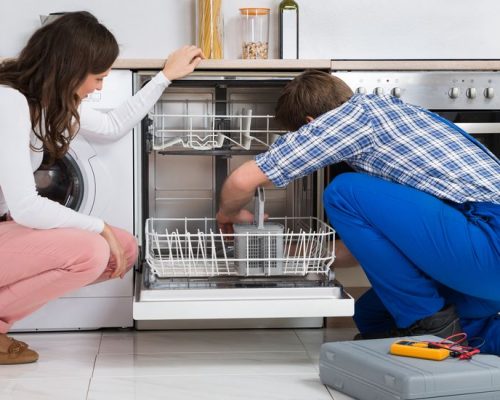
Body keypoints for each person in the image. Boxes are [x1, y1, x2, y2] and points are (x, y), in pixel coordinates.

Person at [216, 70, 500, 355]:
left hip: (490, 241)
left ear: (312, 125)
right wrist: (275, 251)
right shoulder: (393, 119)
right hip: (481, 264)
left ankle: (431, 330)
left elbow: (242, 181)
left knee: (344, 191)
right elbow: (361, 251)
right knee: (371, 316)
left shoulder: (353, 118)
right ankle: (470, 336)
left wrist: (228, 216)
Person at [0, 11, 203, 364]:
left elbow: (111, 126)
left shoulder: (47, 104)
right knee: (94, 250)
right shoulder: (9, 102)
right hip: (12, 219)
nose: (99, 87)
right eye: (97, 77)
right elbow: (26, 207)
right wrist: (99, 226)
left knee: (123, 248)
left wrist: (164, 77)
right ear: (70, 68)